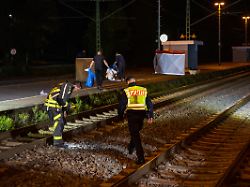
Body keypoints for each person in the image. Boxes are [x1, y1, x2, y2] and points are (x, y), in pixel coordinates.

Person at [118, 76, 153, 164]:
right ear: (134, 81)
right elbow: (149, 103)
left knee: (135, 136)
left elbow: (122, 105)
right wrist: (150, 116)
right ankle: (130, 147)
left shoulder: (126, 91)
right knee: (136, 132)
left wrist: (120, 116)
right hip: (142, 114)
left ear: (128, 82)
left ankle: (141, 157)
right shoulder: (143, 90)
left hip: (132, 115)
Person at [44, 81, 82, 148]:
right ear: (76, 86)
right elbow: (60, 100)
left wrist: (64, 111)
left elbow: (62, 99)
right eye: (78, 89)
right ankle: (57, 143)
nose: (77, 91)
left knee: (62, 122)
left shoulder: (66, 86)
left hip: (54, 106)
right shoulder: (68, 87)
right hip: (52, 106)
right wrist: (68, 106)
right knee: (59, 122)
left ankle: (58, 141)